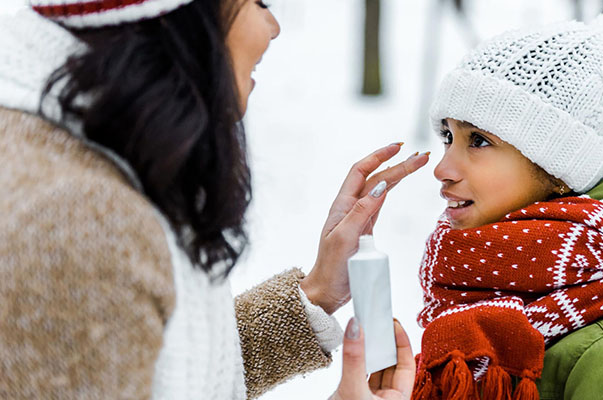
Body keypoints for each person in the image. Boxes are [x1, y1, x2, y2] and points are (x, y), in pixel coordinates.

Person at [0, 0, 425, 398]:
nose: (273, 27)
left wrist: (314, 293)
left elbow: (163, 366)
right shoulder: (76, 223)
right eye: (259, 2)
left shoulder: (90, 156)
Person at [412, 5, 603, 400]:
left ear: (562, 169)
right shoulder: (473, 311)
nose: (443, 168)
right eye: (448, 136)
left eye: (478, 140)